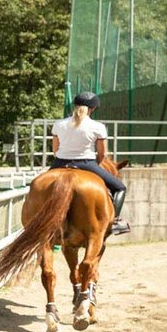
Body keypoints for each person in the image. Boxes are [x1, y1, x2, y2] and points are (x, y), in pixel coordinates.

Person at [47, 91, 130, 235]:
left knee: (39, 186)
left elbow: (55, 149)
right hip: (86, 163)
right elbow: (102, 153)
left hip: (60, 163)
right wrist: (95, 164)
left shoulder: (59, 124)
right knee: (120, 187)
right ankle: (114, 221)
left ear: (75, 106)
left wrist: (63, 158)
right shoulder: (98, 127)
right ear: (92, 109)